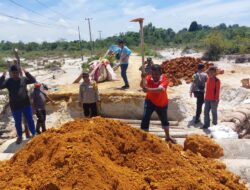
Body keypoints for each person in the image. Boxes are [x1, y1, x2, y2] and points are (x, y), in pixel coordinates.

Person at [0, 65, 36, 144]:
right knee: (18, 123)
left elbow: (33, 80)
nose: (15, 74)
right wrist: (2, 76)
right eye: (13, 73)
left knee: (30, 120)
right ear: (11, 73)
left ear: (19, 72)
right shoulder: (8, 81)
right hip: (15, 107)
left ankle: (34, 134)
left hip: (26, 104)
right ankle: (19, 137)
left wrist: (26, 72)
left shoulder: (24, 79)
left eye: (16, 72)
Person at [140, 64, 176, 143]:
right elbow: (143, 85)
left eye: (156, 74)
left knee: (164, 120)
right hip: (149, 100)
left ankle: (167, 136)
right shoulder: (149, 77)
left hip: (161, 103)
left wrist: (148, 89)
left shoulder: (165, 79)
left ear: (160, 73)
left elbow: (160, 90)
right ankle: (144, 136)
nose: (154, 76)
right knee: (145, 118)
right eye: (153, 74)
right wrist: (142, 78)